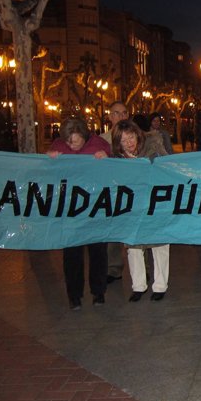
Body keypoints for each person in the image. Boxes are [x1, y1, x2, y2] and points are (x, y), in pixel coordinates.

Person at [48, 118, 110, 309]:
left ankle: (98, 292)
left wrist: (107, 158)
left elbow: (116, 167)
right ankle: (74, 295)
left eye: (74, 141)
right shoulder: (58, 146)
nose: (71, 146)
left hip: (95, 207)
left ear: (84, 136)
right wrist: (49, 159)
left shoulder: (99, 145)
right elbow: (47, 173)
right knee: (72, 255)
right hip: (71, 210)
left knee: (98, 252)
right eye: (68, 142)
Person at [111, 119, 170, 302]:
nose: (129, 142)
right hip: (133, 207)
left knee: (159, 245)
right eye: (123, 140)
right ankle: (138, 285)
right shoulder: (117, 160)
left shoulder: (153, 150)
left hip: (155, 203)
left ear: (137, 134)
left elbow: (167, 168)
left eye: (131, 137)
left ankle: (160, 286)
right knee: (133, 247)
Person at [101, 101, 129, 284]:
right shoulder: (102, 140)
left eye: (124, 113)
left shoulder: (136, 137)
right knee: (111, 232)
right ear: (110, 116)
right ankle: (113, 269)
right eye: (116, 113)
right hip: (111, 191)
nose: (120, 116)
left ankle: (143, 270)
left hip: (131, 190)